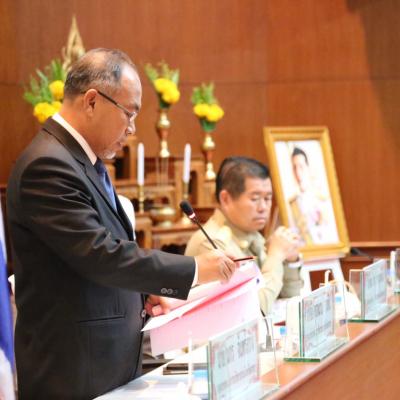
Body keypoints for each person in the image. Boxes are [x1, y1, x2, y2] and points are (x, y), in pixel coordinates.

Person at [6, 48, 236, 399]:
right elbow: (101, 255)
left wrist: (141, 292)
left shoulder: (79, 160)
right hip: (73, 373)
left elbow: (84, 261)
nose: (132, 128)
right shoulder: (48, 166)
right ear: (92, 101)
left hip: (102, 365)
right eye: (129, 113)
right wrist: (193, 270)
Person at [185, 156, 303, 316]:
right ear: (226, 199)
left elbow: (290, 299)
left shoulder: (252, 234)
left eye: (268, 198)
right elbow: (254, 310)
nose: (263, 207)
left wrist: (290, 260)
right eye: (255, 198)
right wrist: (275, 256)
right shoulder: (211, 242)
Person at [289, 147, 338, 245]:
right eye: (294, 168)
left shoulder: (321, 199)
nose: (298, 172)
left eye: (301, 167)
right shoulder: (291, 204)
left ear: (308, 168)